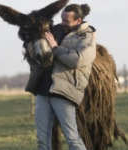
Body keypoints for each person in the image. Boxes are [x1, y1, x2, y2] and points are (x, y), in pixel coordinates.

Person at [26, 3, 96, 150]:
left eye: (66, 21)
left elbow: (78, 60)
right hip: (43, 90)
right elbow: (42, 57)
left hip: (64, 92)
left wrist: (55, 48)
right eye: (62, 18)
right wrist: (33, 54)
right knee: (42, 141)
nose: (62, 23)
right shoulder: (55, 30)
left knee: (72, 139)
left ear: (78, 21)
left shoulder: (86, 35)